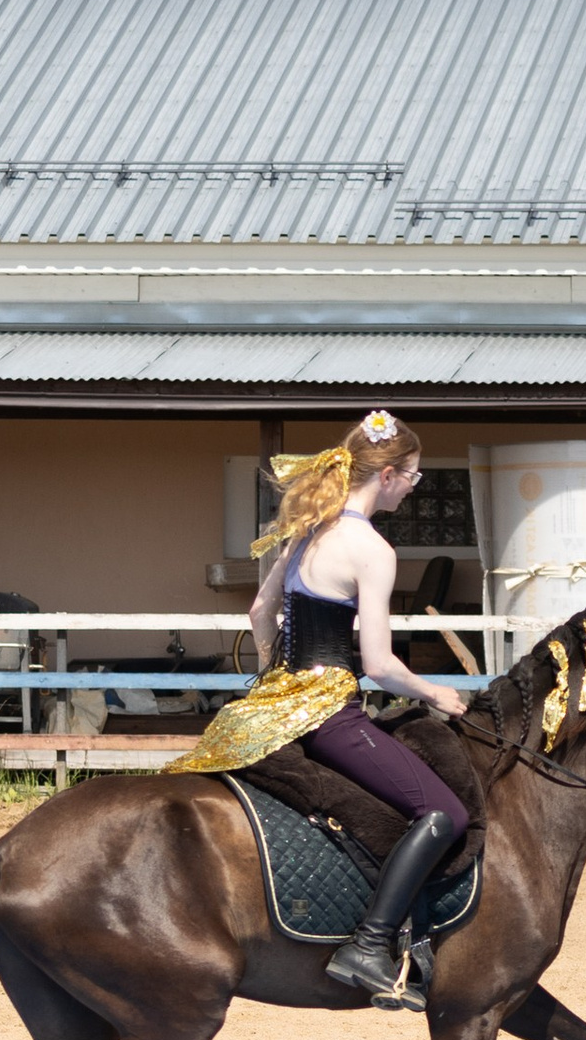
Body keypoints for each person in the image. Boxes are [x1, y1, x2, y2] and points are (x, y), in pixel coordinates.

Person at [179, 410, 472, 1006]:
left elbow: (261, 613)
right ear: (387, 475)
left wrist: (273, 674)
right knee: (446, 814)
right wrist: (437, 692)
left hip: (275, 704)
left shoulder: (308, 530)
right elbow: (381, 665)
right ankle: (368, 944)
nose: (413, 489)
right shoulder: (372, 549)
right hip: (332, 714)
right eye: (412, 477)